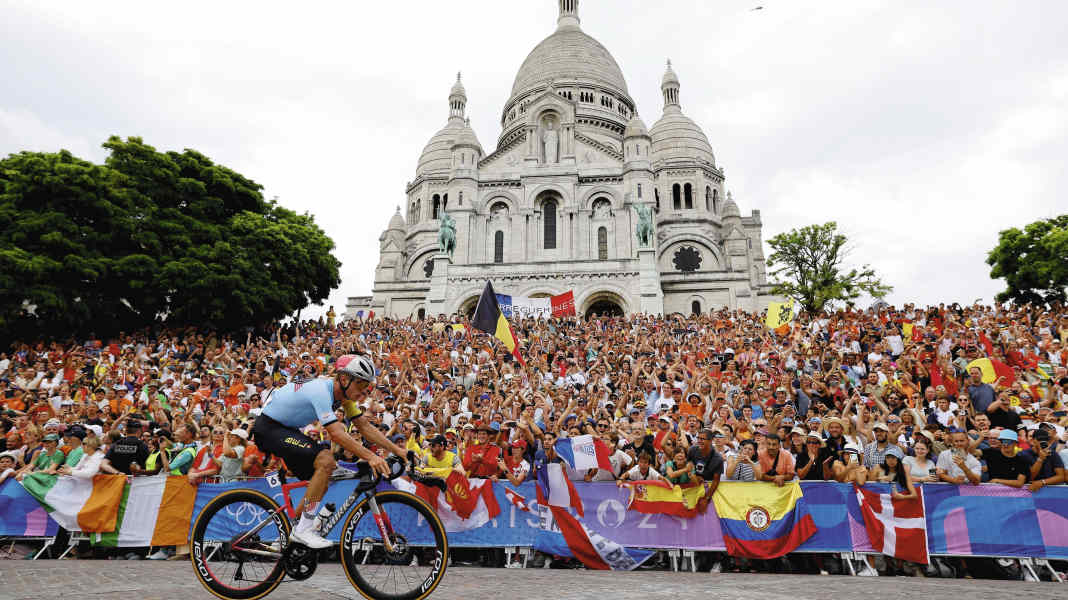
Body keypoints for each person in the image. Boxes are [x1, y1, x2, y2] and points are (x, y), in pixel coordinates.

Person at [251, 354, 409, 549]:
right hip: (269, 429)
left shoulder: (344, 397)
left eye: (366, 385)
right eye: (360, 384)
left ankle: (290, 534)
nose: (364, 390)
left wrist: (398, 450)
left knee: (324, 476)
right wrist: (371, 457)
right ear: (344, 379)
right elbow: (336, 434)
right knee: (326, 461)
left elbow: (364, 426)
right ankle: (303, 530)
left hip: (286, 429)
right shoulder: (321, 390)